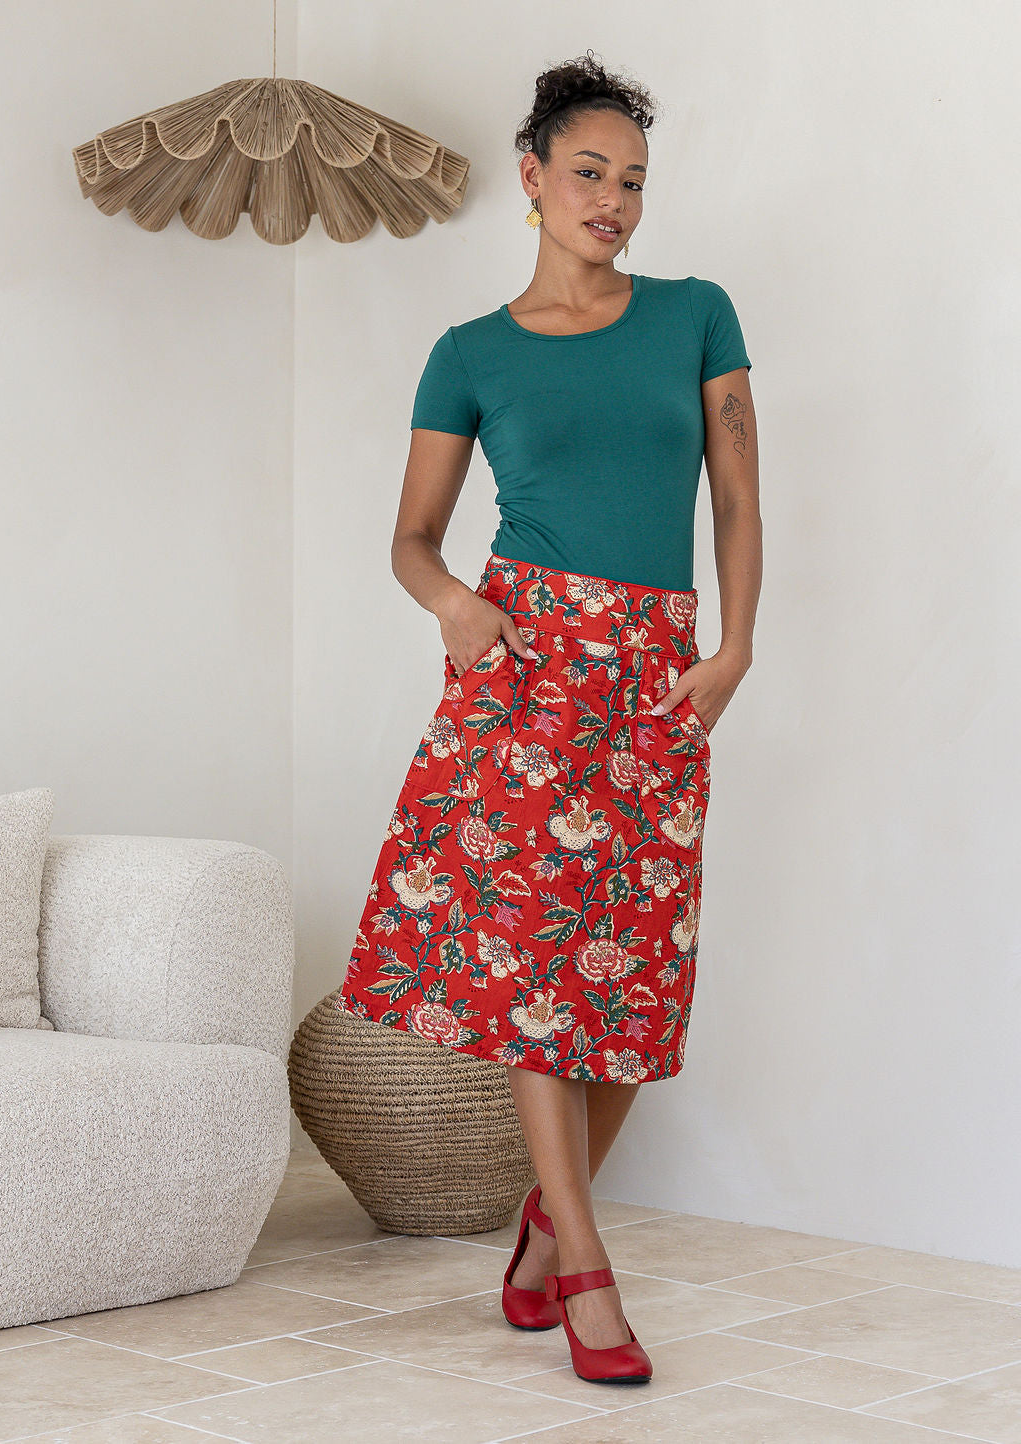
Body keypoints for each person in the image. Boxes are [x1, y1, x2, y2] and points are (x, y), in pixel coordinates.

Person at [337, 48, 761, 1385]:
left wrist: (736, 646)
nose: (615, 200)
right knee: (535, 983)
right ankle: (584, 1266)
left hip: (655, 671)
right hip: (522, 669)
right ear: (532, 178)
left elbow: (739, 500)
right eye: (590, 172)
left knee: (629, 989)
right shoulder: (468, 354)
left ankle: (536, 1237)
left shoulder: (696, 315)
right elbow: (409, 541)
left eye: (633, 181)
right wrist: (454, 604)